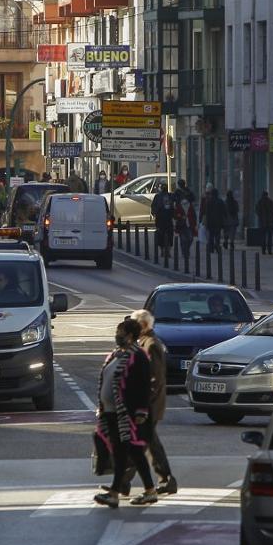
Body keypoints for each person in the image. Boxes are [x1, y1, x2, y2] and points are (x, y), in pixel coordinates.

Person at [93, 318, 156, 508]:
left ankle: (115, 492)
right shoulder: (116, 354)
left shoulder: (138, 356)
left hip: (128, 413)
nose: (117, 335)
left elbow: (145, 385)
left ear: (129, 335)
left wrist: (141, 411)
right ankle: (147, 490)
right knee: (129, 452)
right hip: (111, 412)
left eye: (120, 332)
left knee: (128, 451)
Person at [131, 309, 177, 495]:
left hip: (149, 404)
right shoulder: (144, 343)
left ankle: (122, 482)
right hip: (148, 404)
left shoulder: (150, 345)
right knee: (146, 442)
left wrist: (143, 403)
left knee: (140, 443)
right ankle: (165, 479)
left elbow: (155, 378)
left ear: (142, 325)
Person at [150, 187, 175, 261]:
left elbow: (153, 207)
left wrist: (154, 213)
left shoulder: (158, 196)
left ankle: (163, 251)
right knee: (169, 234)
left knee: (161, 234)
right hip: (167, 218)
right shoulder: (170, 196)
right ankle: (167, 251)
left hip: (160, 218)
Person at [201, 185, 226, 255]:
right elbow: (224, 211)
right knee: (217, 235)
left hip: (211, 222)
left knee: (211, 235)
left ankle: (211, 248)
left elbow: (207, 212)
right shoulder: (220, 201)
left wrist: (207, 222)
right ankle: (217, 245)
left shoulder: (209, 201)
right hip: (218, 222)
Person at [175, 197, 197, 263]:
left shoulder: (190, 207)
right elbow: (175, 215)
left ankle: (186, 249)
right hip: (182, 225)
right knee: (183, 239)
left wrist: (195, 224)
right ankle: (184, 252)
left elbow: (194, 216)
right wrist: (181, 216)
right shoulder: (179, 207)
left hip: (189, 225)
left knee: (190, 238)